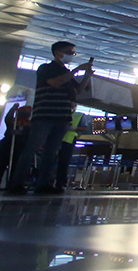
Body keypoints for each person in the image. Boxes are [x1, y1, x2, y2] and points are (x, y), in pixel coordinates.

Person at [7, 41, 94, 194]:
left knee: (51, 152)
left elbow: (78, 91)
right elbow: (55, 83)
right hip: (45, 116)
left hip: (62, 117)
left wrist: (86, 76)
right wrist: (77, 70)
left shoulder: (66, 72)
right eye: (69, 52)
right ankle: (17, 183)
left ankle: (43, 184)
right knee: (32, 149)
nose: (72, 55)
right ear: (58, 52)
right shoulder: (46, 69)